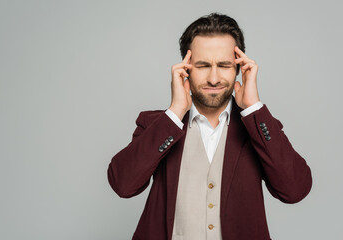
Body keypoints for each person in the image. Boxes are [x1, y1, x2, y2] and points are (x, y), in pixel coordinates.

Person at [107, 12, 312, 240]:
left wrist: (253, 107)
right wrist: (175, 112)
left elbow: (295, 190)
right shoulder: (157, 125)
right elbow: (122, 185)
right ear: (186, 68)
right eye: (203, 65)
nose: (214, 79)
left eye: (224, 65)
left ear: (238, 69)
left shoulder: (259, 126)